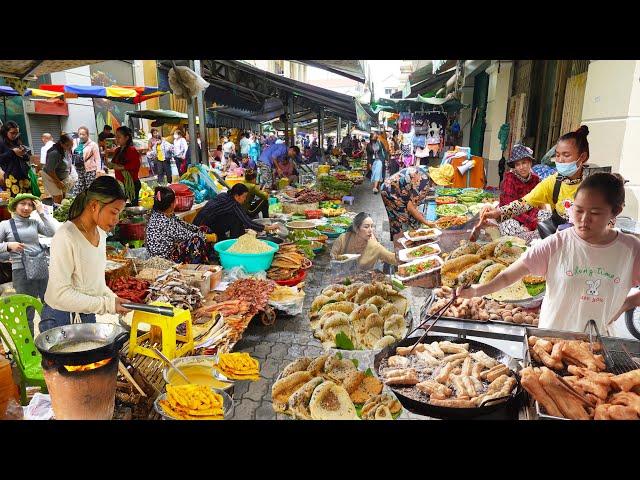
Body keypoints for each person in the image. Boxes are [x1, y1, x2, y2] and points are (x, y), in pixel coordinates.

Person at [458, 173, 640, 335]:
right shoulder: (557, 244)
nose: (584, 220)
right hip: (551, 341)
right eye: (578, 210)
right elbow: (508, 276)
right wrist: (477, 290)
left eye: (595, 213)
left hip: (599, 343)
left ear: (615, 212)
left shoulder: (631, 250)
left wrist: (627, 303)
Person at [41, 176, 131, 332]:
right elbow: (59, 294)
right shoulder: (66, 236)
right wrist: (106, 304)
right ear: (94, 205)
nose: (117, 219)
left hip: (87, 314)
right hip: (60, 319)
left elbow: (94, 284)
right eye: (114, 212)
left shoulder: (100, 233)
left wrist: (112, 299)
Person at [479, 126, 591, 239]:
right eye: (557, 155)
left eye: (566, 155)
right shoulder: (553, 182)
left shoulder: (595, 185)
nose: (560, 160)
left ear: (582, 157)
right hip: (560, 235)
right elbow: (526, 202)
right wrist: (498, 213)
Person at [0, 194, 56, 336]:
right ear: (15, 205)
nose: (26, 208)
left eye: (30, 205)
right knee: (26, 308)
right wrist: (8, 246)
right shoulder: (5, 225)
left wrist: (41, 212)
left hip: (41, 267)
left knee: (48, 304)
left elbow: (52, 231)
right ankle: (29, 344)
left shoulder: (34, 223)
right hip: (21, 271)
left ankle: (49, 340)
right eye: (22, 204)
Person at [146, 186, 216, 263]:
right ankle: (196, 266)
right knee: (197, 240)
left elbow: (183, 225)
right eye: (175, 200)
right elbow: (189, 235)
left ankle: (211, 259)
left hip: (171, 249)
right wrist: (211, 237)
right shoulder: (165, 222)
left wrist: (198, 229)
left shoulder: (160, 213)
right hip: (165, 259)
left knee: (203, 229)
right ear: (171, 204)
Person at [193, 183, 279, 241]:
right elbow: (248, 222)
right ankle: (235, 243)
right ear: (237, 196)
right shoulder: (233, 204)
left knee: (233, 217)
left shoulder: (223, 195)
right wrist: (269, 228)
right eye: (244, 197)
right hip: (203, 228)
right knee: (237, 220)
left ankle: (224, 239)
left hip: (196, 223)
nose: (245, 199)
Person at [496, 144, 544, 242]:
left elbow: (536, 203)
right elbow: (510, 209)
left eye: (524, 163)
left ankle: (529, 238)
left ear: (530, 163)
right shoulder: (509, 180)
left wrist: (530, 223)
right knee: (510, 228)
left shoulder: (536, 180)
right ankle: (525, 239)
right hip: (510, 214)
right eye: (517, 164)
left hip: (530, 215)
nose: (521, 167)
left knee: (545, 216)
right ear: (514, 167)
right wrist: (531, 222)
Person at [380, 166, 433, 241]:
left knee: (399, 217)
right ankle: (400, 243)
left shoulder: (425, 170)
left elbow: (411, 198)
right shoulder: (424, 181)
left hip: (390, 188)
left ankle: (400, 239)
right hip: (391, 192)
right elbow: (410, 207)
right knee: (401, 219)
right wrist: (426, 223)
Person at [331, 212, 398, 271]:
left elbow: (392, 258)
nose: (370, 230)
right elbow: (332, 257)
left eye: (372, 226)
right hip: (340, 279)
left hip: (363, 282)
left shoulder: (374, 246)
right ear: (357, 229)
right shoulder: (343, 239)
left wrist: (407, 254)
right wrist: (339, 258)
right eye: (366, 227)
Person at [109, 126, 142, 206]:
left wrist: (121, 167)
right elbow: (113, 164)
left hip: (132, 184)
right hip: (120, 184)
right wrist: (110, 165)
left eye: (119, 137)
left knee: (133, 207)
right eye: (116, 137)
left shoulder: (132, 150)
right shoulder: (117, 150)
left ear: (126, 137)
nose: (116, 139)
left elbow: (136, 165)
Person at [0, 121, 33, 197]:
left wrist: (23, 154)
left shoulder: (17, 141)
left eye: (17, 133)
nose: (15, 135)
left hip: (23, 175)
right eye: (12, 133)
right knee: (15, 201)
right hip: (11, 177)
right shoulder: (1, 142)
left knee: (27, 199)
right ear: (5, 132)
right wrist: (12, 152)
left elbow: (27, 158)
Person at [42, 134, 75, 204]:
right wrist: (58, 182)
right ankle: (56, 211)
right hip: (50, 176)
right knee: (58, 197)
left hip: (59, 176)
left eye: (71, 145)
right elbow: (50, 171)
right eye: (67, 145)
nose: (70, 147)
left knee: (64, 196)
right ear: (61, 143)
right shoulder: (55, 153)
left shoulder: (65, 149)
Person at [70, 126, 101, 197]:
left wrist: (98, 170)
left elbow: (98, 158)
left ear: (87, 135)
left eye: (83, 134)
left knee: (90, 188)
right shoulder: (75, 142)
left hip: (90, 170)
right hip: (78, 169)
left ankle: (90, 204)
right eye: (80, 134)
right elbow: (71, 154)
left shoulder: (93, 145)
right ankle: (77, 204)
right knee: (78, 189)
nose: (81, 136)